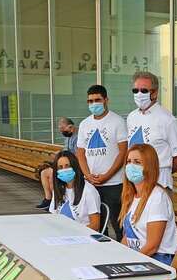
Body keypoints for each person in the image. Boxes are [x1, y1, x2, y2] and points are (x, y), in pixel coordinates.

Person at [78, 143, 177, 280]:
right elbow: (127, 237)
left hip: (155, 265)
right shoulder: (133, 197)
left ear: (149, 166)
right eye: (129, 162)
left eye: (137, 162)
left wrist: (123, 265)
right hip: (136, 259)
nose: (131, 166)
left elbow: (151, 245)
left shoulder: (157, 198)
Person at [75, 85, 128, 238]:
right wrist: (87, 175)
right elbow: (80, 152)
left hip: (114, 184)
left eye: (97, 100)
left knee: (118, 225)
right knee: (97, 225)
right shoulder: (85, 124)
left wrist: (107, 176)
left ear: (106, 100)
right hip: (91, 184)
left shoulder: (117, 121)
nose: (93, 104)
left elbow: (123, 152)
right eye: (90, 101)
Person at [126, 72, 177, 190]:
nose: (139, 94)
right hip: (134, 185)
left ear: (154, 93)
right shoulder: (131, 117)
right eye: (135, 91)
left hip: (159, 185)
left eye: (144, 91)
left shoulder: (167, 119)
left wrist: (160, 172)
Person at [48, 150, 102, 231]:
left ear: (75, 167)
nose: (64, 170)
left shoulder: (89, 191)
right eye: (60, 167)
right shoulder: (58, 190)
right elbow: (53, 217)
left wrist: (74, 232)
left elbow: (95, 225)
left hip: (82, 236)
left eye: (67, 166)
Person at [36, 118, 80, 209]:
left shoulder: (78, 137)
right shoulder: (68, 136)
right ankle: (48, 199)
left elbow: (77, 155)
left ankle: (57, 200)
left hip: (73, 166)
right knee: (44, 172)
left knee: (53, 175)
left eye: (63, 129)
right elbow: (66, 150)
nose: (62, 132)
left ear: (71, 127)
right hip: (64, 164)